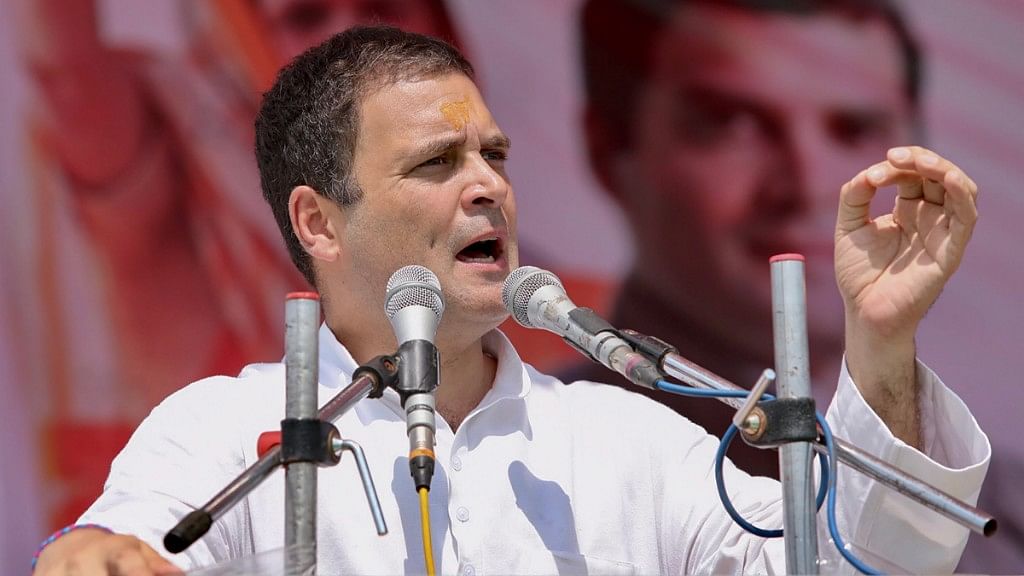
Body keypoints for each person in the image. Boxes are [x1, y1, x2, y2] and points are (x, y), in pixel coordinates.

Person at [33, 26, 987, 575]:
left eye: (494, 155)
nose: (487, 186)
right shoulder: (227, 428)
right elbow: (126, 548)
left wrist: (882, 341)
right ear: (319, 222)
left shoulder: (630, 443)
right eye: (436, 163)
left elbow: (866, 566)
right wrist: (90, 555)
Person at [575, 0, 1016, 569]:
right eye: (734, 124)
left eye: (853, 128)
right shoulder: (553, 458)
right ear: (608, 146)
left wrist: (880, 340)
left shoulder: (999, 521)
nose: (806, 183)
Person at [13, 0, 463, 532]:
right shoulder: (189, 210)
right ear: (237, 47)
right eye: (305, 18)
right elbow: (71, 76)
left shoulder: (536, 312)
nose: (355, 37)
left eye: (383, 7)